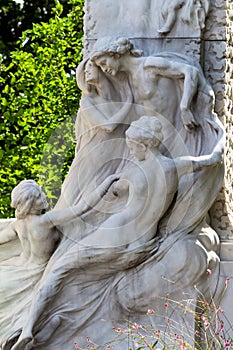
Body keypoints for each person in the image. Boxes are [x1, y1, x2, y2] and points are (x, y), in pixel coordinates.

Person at [11, 115, 222, 350]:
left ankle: (28, 330)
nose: (130, 150)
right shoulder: (175, 166)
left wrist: (105, 184)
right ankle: (57, 322)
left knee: (59, 271)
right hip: (142, 245)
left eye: (132, 146)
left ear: (143, 145)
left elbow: (102, 198)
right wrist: (218, 129)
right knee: (85, 280)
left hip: (116, 236)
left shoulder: (132, 172)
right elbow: (212, 158)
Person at [0, 176, 119, 346]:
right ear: (30, 203)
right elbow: (83, 207)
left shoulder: (17, 225)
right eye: (40, 196)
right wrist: (107, 183)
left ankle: (23, 334)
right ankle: (26, 331)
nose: (44, 197)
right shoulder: (45, 221)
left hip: (19, 266)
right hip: (37, 269)